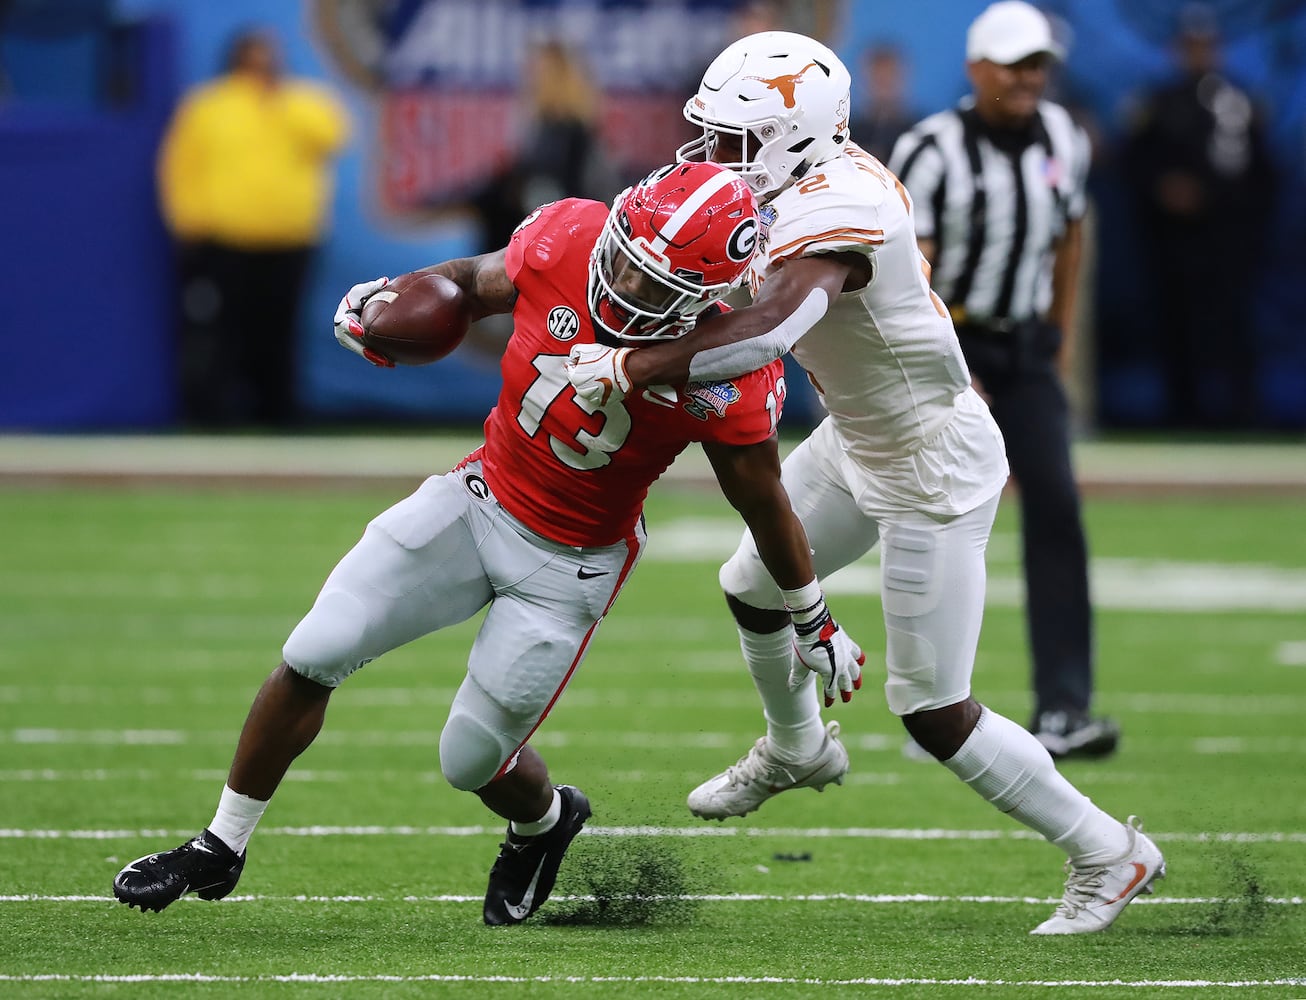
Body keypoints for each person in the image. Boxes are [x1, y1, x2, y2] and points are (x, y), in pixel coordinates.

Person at [111, 161, 865, 927]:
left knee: (469, 760)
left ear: (707, 297)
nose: (626, 290)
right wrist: (390, 302)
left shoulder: (728, 375)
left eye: (654, 287)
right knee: (315, 649)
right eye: (626, 263)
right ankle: (220, 842)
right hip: (477, 499)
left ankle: (543, 823)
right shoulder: (570, 234)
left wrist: (811, 612)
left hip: (569, 564)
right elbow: (469, 283)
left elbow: (764, 504)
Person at [565, 30, 1164, 935]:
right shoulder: (784, 177)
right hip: (859, 435)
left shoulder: (840, 203)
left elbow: (766, 327)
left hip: (931, 463)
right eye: (711, 134)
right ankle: (797, 746)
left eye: (733, 140)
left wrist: (630, 367)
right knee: (750, 584)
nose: (710, 157)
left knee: (932, 708)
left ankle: (1108, 853)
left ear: (797, 135)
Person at [886, 1, 1119, 760]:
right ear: (977, 68)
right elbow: (904, 271)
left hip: (1021, 351)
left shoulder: (1061, 136)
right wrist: (942, 366)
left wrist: (1055, 337)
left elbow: (1072, 233)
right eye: (1016, 65)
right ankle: (938, 710)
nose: (1030, 79)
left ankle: (1064, 707)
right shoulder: (930, 148)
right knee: (939, 522)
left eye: (1039, 65)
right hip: (949, 350)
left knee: (1056, 510)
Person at [157, 27, 350, 427]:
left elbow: (332, 137)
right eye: (255, 55)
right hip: (226, 239)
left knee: (279, 329)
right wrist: (188, 221)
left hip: (290, 238)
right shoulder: (210, 105)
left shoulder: (301, 101)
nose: (263, 63)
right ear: (237, 57)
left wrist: (281, 100)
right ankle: (212, 415)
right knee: (222, 329)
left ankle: (277, 413)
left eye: (270, 54)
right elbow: (181, 165)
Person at [1121, 3, 1275, 428]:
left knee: (1234, 327)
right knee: (1176, 327)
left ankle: (1244, 414)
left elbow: (1262, 173)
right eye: (1190, 45)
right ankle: (1182, 414)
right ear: (1177, 49)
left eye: (1205, 45)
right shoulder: (1157, 102)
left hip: (1229, 240)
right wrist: (1162, 190)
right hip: (1173, 241)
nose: (1198, 53)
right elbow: (1134, 164)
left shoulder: (1239, 101)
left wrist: (1223, 206)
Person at [848, 43, 919, 163]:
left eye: (889, 77)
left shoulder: (917, 132)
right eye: (878, 78)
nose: (883, 86)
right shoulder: (847, 133)